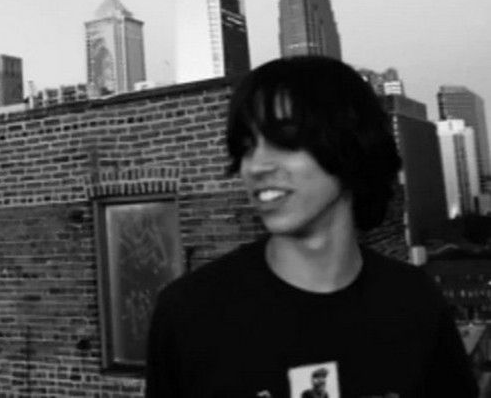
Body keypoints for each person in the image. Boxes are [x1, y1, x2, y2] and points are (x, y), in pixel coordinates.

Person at [145, 56, 478, 398]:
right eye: (246, 147)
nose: (256, 165)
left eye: (286, 139)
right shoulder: (189, 314)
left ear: (350, 145)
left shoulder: (414, 302)